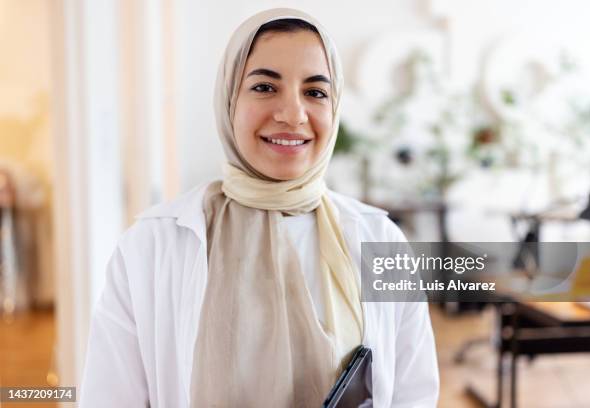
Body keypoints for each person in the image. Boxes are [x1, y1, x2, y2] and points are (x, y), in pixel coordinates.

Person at [80, 8, 439, 408]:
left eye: (315, 92)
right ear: (229, 98)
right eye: (265, 87)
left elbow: (413, 393)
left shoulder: (380, 240)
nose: (293, 114)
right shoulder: (150, 246)